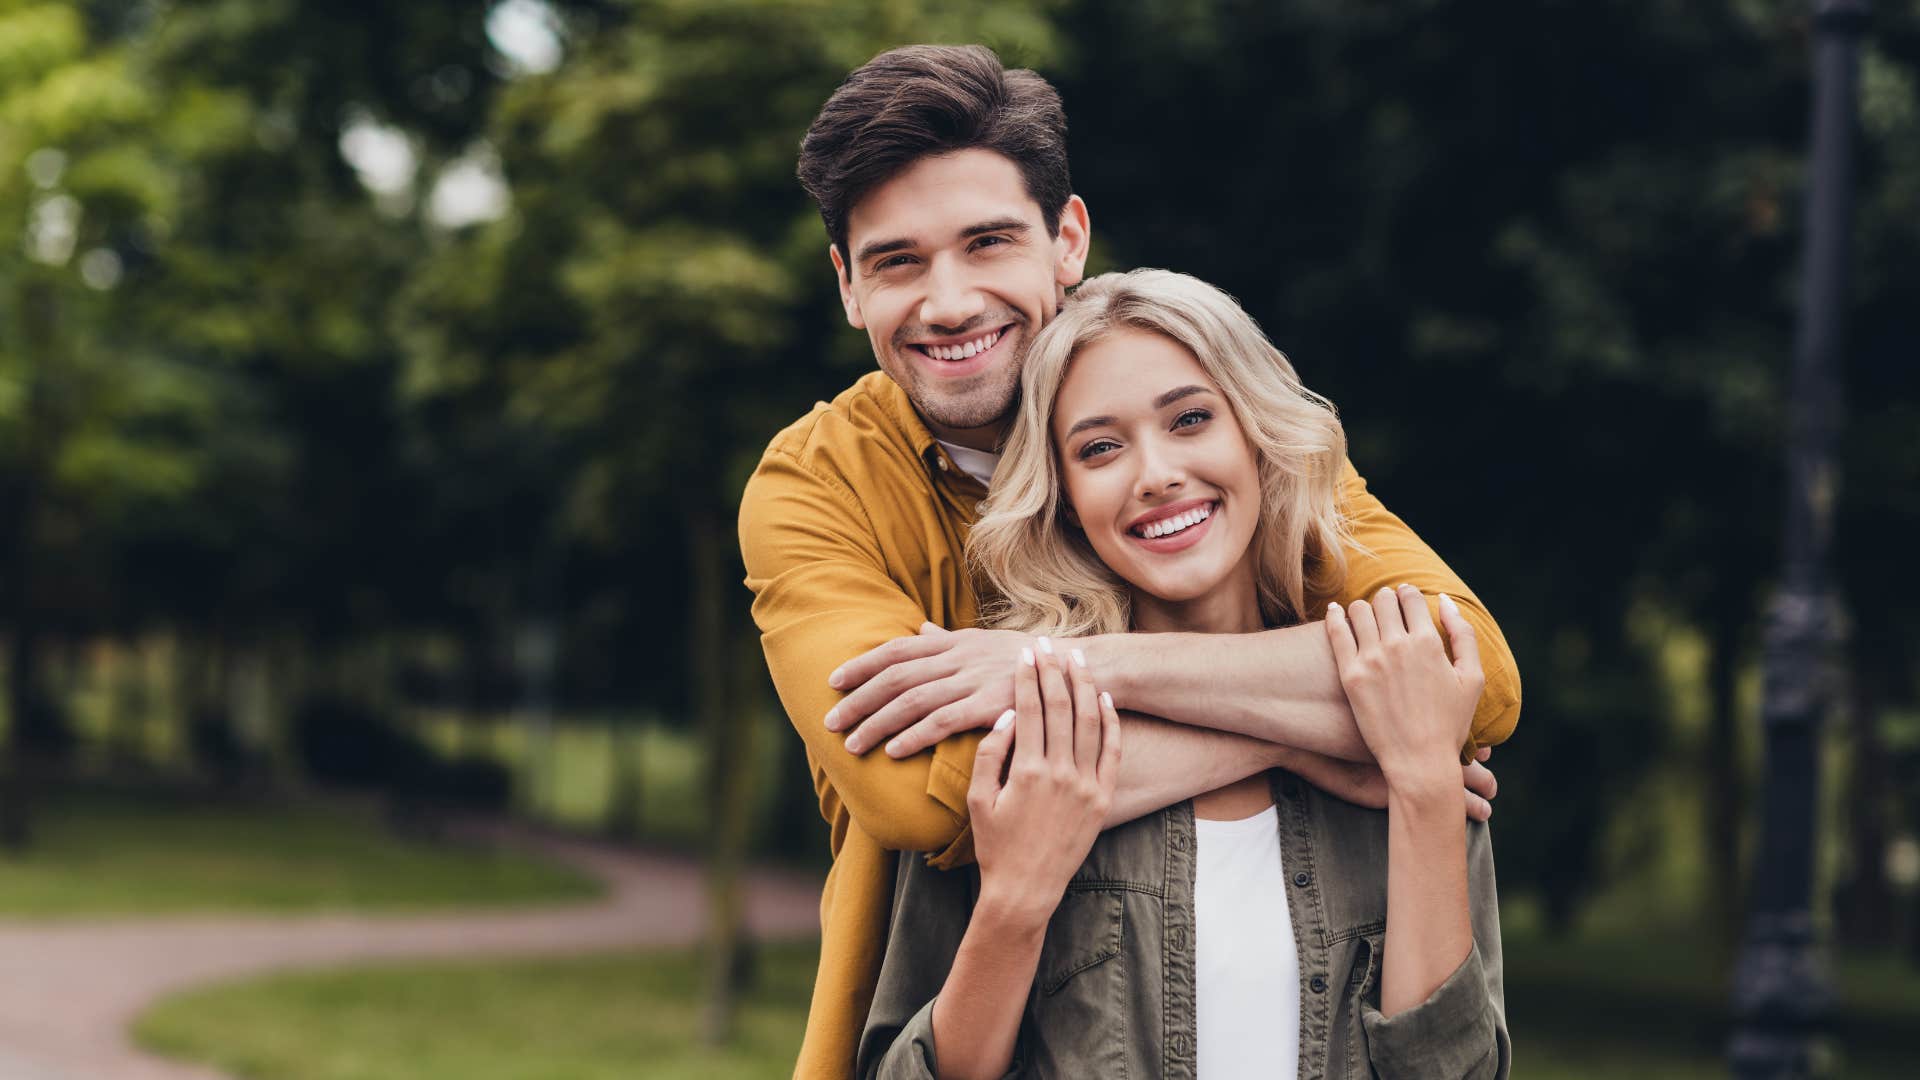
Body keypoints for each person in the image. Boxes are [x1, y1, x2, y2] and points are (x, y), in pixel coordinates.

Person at [737, 44, 1521, 1078]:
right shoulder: (812, 486)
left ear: (1067, 238)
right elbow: (930, 796)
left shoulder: (1205, 406)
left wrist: (1062, 673)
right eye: (898, 262)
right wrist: (1310, 741)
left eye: (988, 242)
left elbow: (1471, 683)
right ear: (847, 284)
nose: (950, 302)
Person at [857, 270, 1507, 1079]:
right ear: (1064, 499)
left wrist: (1423, 789)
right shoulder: (1012, 752)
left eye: (1190, 419)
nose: (1155, 474)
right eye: (1099, 448)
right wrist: (1014, 903)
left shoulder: (1404, 716)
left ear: (1257, 435)